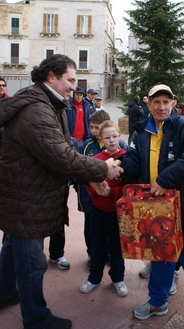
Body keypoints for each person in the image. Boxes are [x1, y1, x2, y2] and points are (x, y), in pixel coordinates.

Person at [0, 54, 123, 329]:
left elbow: (62, 149)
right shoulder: (37, 110)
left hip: (26, 195)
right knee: (33, 263)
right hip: (27, 199)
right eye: (69, 80)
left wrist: (90, 179)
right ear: (50, 77)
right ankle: (37, 319)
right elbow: (61, 156)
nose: (73, 86)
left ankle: (5, 293)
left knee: (11, 248)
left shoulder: (46, 104)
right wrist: (102, 170)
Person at [119, 84, 184, 329]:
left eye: (166, 102)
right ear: (148, 104)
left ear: (173, 103)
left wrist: (164, 179)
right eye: (156, 102)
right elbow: (133, 161)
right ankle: (157, 302)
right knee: (160, 260)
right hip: (156, 211)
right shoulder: (140, 130)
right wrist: (115, 166)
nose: (161, 107)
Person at [79, 120, 137, 297]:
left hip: (119, 213)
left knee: (117, 248)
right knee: (97, 246)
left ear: (120, 136)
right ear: (100, 139)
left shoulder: (128, 159)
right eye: (107, 138)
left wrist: (111, 192)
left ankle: (118, 278)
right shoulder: (96, 159)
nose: (111, 141)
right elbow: (88, 182)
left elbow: (130, 188)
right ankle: (94, 278)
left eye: (114, 136)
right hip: (98, 210)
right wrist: (95, 189)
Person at [72, 110, 127, 270]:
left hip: (114, 201)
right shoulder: (87, 146)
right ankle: (92, 254)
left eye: (97, 127)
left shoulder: (122, 148)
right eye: (92, 127)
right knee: (91, 229)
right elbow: (80, 170)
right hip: (90, 199)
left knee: (113, 232)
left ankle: (109, 254)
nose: (94, 131)